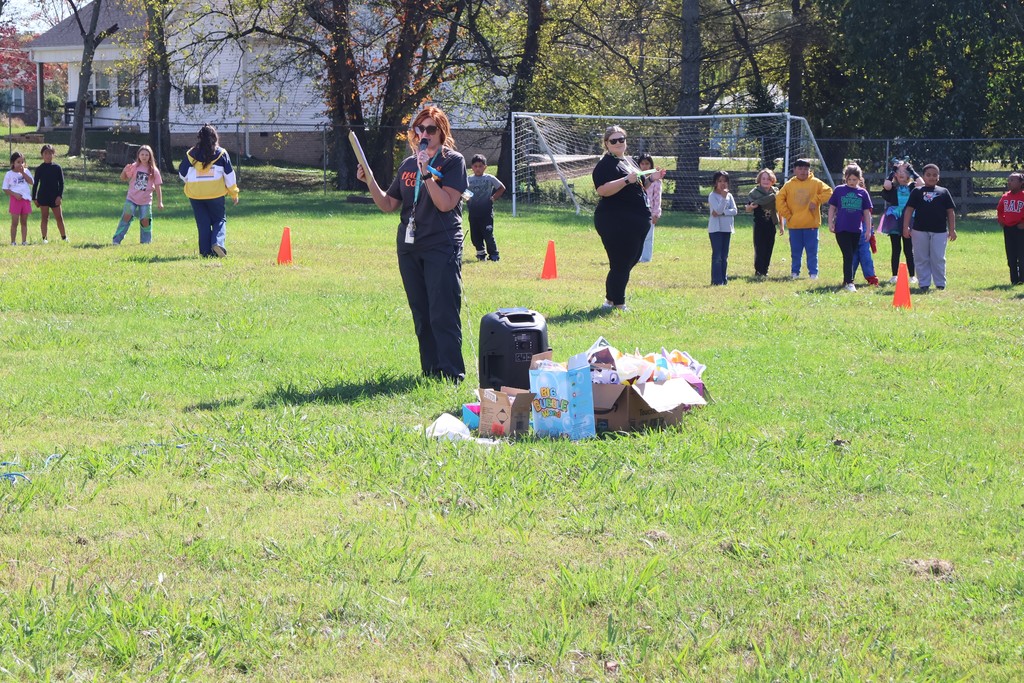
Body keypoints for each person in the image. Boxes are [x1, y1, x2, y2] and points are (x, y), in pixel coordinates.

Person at [356, 105, 469, 383]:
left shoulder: (453, 161)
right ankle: (430, 372)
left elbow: (445, 204)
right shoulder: (408, 165)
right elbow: (388, 203)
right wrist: (369, 180)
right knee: (421, 310)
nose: (424, 134)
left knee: (442, 310)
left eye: (430, 129)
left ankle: (452, 373)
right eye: (419, 129)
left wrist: (427, 172)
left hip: (441, 245)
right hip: (409, 246)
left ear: (442, 133)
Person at [592, 126, 666, 309]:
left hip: (636, 220)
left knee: (631, 259)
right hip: (615, 220)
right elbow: (602, 190)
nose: (618, 143)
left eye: (621, 139)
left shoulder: (629, 161)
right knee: (622, 262)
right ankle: (619, 303)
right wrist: (625, 180)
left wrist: (652, 178)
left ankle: (610, 299)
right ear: (606, 144)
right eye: (614, 141)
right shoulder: (606, 164)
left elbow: (639, 187)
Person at [178, 125, 239, 257]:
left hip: (195, 194)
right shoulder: (221, 154)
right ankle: (218, 243)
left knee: (203, 223)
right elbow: (229, 175)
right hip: (215, 194)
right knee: (219, 220)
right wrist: (233, 192)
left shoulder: (190, 154)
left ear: (199, 138)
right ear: (215, 137)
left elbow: (182, 174)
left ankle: (205, 252)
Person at [903, 164, 956, 292]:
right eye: (928, 175)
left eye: (934, 175)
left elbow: (950, 211)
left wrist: (952, 229)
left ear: (938, 177)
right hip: (919, 230)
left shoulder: (943, 192)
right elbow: (909, 210)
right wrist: (906, 227)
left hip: (939, 231)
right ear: (923, 177)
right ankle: (924, 283)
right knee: (921, 257)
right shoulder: (917, 192)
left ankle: (940, 283)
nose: (931, 177)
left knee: (938, 257)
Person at [776, 158, 832, 280]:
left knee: (812, 252)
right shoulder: (789, 185)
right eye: (800, 169)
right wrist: (788, 215)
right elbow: (779, 200)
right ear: (794, 170)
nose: (803, 171)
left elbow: (829, 192)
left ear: (809, 170)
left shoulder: (816, 183)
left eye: (806, 169)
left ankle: (813, 273)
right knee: (795, 252)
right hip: (794, 225)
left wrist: (816, 200)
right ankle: (795, 272)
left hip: (811, 225)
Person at [827, 164, 873, 291]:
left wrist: (868, 229)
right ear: (845, 178)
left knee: (851, 255)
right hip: (841, 228)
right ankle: (849, 282)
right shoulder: (839, 190)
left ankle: (846, 279)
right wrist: (830, 222)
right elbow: (832, 207)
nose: (852, 182)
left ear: (859, 179)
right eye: (850, 179)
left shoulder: (862, 193)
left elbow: (866, 212)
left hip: (856, 230)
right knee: (848, 254)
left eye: (855, 180)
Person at [879, 161, 923, 284]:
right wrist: (892, 172)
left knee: (909, 249)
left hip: (909, 218)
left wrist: (912, 171)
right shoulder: (893, 188)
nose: (901, 174)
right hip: (894, 218)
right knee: (896, 248)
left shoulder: (913, 187)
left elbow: (922, 183)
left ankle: (912, 275)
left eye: (905, 171)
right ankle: (894, 275)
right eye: (898, 172)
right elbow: (887, 185)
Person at [114, 145, 163, 245]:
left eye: (146, 155)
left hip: (145, 200)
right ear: (138, 155)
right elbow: (123, 178)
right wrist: (124, 170)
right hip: (131, 198)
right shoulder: (134, 167)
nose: (144, 156)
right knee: (126, 217)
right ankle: (116, 240)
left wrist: (160, 202)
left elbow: (158, 187)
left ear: (150, 156)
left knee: (145, 221)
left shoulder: (154, 170)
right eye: (142, 154)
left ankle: (145, 242)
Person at [466, 153, 504, 262]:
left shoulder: (489, 178)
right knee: (475, 235)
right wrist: (467, 198)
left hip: (486, 213)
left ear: (485, 167)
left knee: (488, 234)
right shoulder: (468, 179)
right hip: (473, 213)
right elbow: (462, 190)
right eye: (475, 166)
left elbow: (501, 188)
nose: (478, 169)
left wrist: (493, 197)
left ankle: (494, 255)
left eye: (480, 166)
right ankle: (480, 254)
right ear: (472, 167)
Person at [745, 168, 782, 277]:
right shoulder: (754, 193)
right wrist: (750, 207)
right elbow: (748, 207)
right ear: (759, 180)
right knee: (759, 247)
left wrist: (782, 225)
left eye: (768, 179)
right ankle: (759, 270)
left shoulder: (776, 192)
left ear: (772, 180)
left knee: (769, 247)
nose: (766, 181)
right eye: (764, 178)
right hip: (759, 224)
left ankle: (765, 270)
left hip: (771, 223)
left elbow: (780, 208)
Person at [32, 144, 67, 243]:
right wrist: (34, 198)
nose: (48, 155)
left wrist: (59, 196)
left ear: (53, 154)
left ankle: (64, 237)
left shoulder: (57, 168)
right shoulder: (39, 169)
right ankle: (44, 238)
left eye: (50, 153)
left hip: (54, 197)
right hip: (43, 196)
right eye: (46, 153)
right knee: (44, 218)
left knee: (59, 218)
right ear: (42, 155)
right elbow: (35, 184)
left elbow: (61, 183)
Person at [708, 170, 738, 285]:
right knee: (717, 256)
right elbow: (716, 211)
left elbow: (734, 211)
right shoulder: (712, 196)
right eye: (720, 181)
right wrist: (724, 200)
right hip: (716, 229)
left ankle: (724, 279)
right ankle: (716, 280)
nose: (722, 184)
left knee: (724, 256)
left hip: (727, 229)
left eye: (725, 181)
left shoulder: (729, 195)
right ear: (715, 183)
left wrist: (723, 212)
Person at [850, 176, 879, 286]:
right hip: (856, 227)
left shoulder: (862, 194)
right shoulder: (861, 194)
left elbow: (868, 214)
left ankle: (851, 277)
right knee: (859, 253)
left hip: (861, 227)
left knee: (860, 253)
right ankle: (869, 277)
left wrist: (869, 230)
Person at [996, 172, 1024, 285]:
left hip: (1021, 229)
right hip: (1008, 228)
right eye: (1009, 180)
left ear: (1021, 183)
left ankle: (1022, 279)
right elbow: (1000, 210)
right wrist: (1002, 221)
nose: (1009, 182)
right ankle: (1014, 279)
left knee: (1021, 254)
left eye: (1013, 180)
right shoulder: (1005, 197)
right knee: (1011, 254)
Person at [636, 153, 662, 263]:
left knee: (648, 236)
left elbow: (657, 198)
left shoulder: (656, 181)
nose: (645, 166)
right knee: (636, 235)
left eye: (647, 163)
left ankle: (646, 258)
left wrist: (656, 213)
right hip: (636, 211)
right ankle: (636, 257)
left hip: (650, 212)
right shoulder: (636, 178)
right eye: (642, 163)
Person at [3, 152, 33, 246]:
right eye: (18, 162)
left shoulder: (26, 171)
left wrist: (23, 172)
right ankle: (13, 241)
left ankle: (24, 241)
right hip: (15, 200)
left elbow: (31, 182)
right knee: (14, 222)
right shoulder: (9, 174)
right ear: (13, 163)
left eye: (22, 162)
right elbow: (5, 188)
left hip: (25, 200)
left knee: (24, 222)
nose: (20, 164)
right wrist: (14, 194)